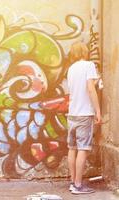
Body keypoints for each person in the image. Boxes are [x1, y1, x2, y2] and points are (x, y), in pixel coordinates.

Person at [66, 42, 101, 194]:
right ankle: (79, 186)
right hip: (84, 113)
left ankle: (73, 182)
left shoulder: (71, 69)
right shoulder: (89, 65)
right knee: (83, 149)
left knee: (72, 148)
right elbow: (90, 89)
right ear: (84, 52)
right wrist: (98, 111)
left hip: (72, 114)